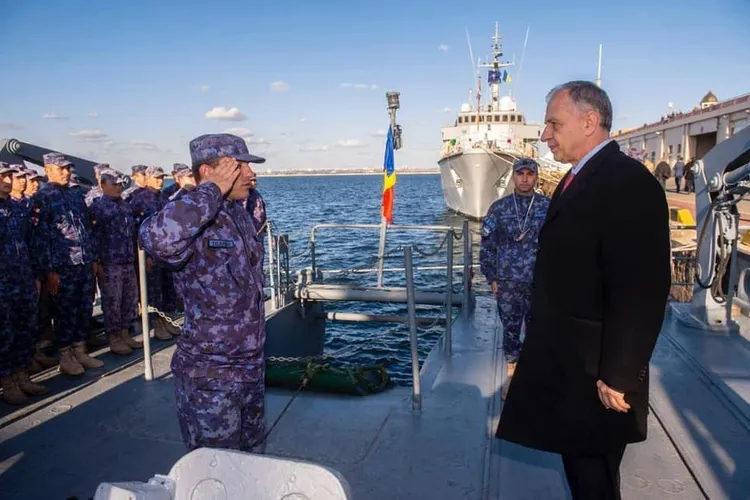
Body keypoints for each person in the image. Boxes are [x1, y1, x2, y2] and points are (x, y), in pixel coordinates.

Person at [495, 81, 671, 500]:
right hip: (574, 363)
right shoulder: (580, 177)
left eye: (554, 123)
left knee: (594, 476)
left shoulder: (626, 181)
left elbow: (642, 287)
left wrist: (619, 374)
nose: (544, 134)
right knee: (583, 470)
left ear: (590, 122)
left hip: (599, 373)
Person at [139, 133, 268, 453]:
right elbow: (156, 239)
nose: (251, 174)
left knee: (251, 464)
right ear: (209, 172)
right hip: (210, 376)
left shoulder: (238, 213)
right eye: (239, 167)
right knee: (214, 472)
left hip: (249, 370)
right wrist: (210, 191)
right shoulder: (191, 213)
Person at [479, 158, 550, 400]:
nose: (525, 178)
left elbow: (558, 245)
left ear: (536, 177)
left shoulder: (548, 207)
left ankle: (532, 377)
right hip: (508, 281)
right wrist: (492, 278)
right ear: (513, 176)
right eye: (520, 174)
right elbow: (488, 246)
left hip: (539, 281)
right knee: (510, 330)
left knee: (538, 329)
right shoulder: (499, 208)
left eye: (530, 174)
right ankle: (512, 377)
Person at [30, 153, 104, 376]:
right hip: (62, 266)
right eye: (60, 169)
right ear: (48, 170)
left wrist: (92, 259)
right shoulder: (42, 198)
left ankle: (80, 350)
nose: (66, 172)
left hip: (83, 262)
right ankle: (65, 355)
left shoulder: (74, 195)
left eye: (67, 168)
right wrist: (49, 271)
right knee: (65, 311)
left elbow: (86, 230)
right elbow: (40, 238)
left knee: (83, 307)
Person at [1, 163, 49, 404]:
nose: (8, 180)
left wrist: (36, 275)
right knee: (4, 333)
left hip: (23, 277)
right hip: (2, 282)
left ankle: (22, 375)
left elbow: (31, 242)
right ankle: (7, 381)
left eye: (9, 175)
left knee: (23, 328)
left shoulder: (17, 207)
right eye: (3, 176)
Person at [90, 171, 142, 355]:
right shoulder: (98, 208)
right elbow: (94, 236)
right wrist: (96, 261)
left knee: (129, 299)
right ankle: (114, 337)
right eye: (114, 184)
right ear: (103, 185)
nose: (119, 187)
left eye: (120, 184)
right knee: (112, 301)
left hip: (128, 260)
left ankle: (125, 332)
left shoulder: (125, 206)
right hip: (110, 262)